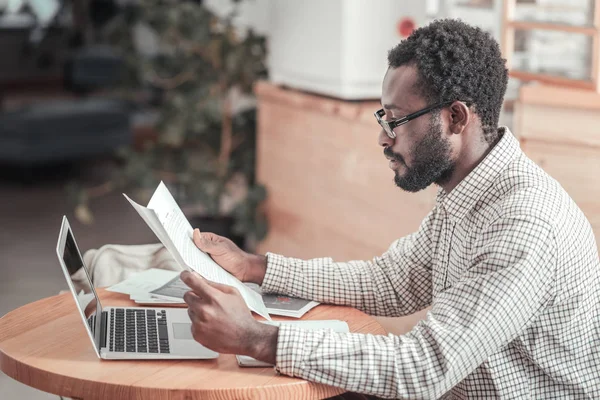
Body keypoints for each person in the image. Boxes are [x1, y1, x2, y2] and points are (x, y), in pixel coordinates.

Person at [180, 19, 600, 399]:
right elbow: (391, 282)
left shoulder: (524, 224)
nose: (384, 139)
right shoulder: (470, 190)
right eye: (384, 118)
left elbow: (422, 368)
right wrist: (255, 267)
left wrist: (255, 338)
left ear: (456, 118)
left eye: (396, 120)